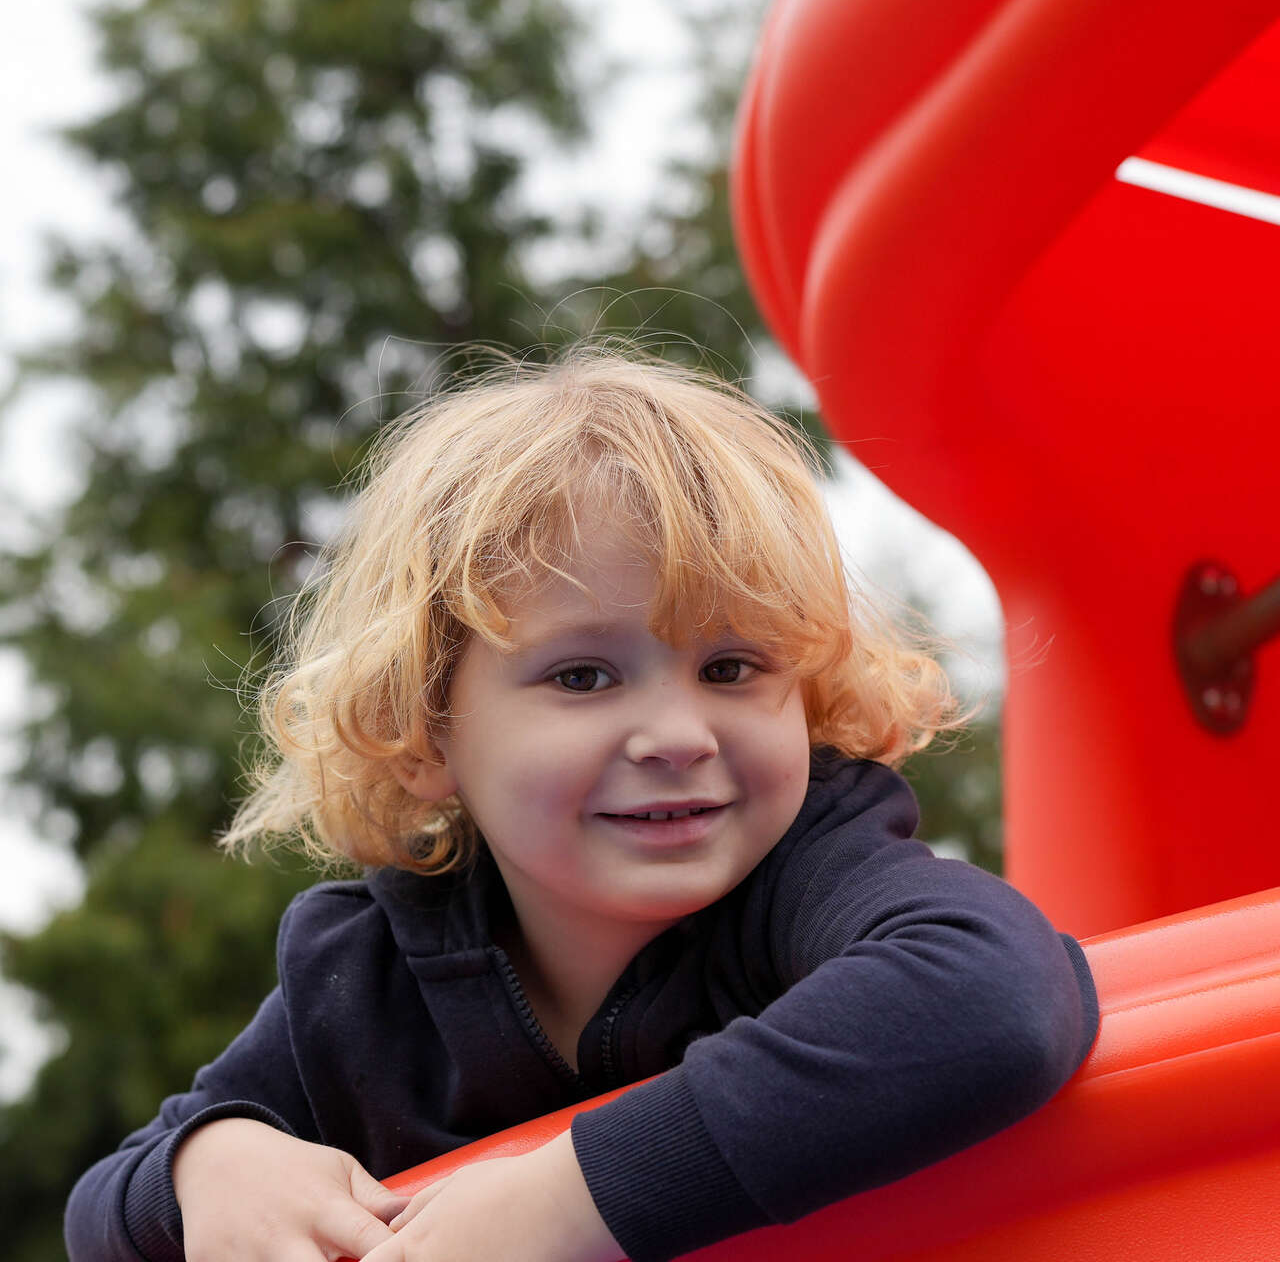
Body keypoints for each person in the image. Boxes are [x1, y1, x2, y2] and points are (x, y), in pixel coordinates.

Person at [65, 349, 1098, 1262]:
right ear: (425, 735)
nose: (678, 732)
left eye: (731, 665)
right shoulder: (368, 978)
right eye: (583, 678)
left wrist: (577, 1194)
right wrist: (209, 1163)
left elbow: (995, 991)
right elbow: (104, 1204)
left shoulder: (809, 872)